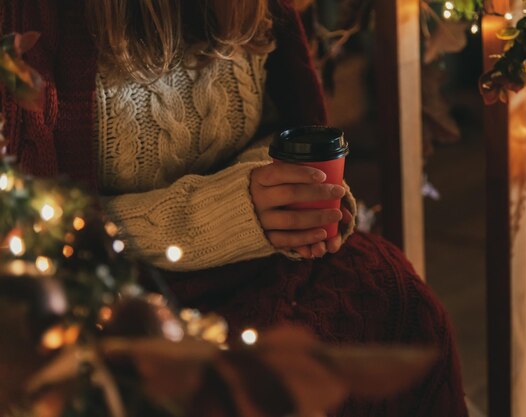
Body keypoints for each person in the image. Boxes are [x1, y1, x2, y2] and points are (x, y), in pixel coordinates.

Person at [1, 0, 468, 416]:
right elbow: (40, 230)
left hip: (259, 258)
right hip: (116, 293)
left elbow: (282, 122)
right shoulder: (31, 22)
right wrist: (226, 213)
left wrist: (288, 194)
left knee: (399, 303)